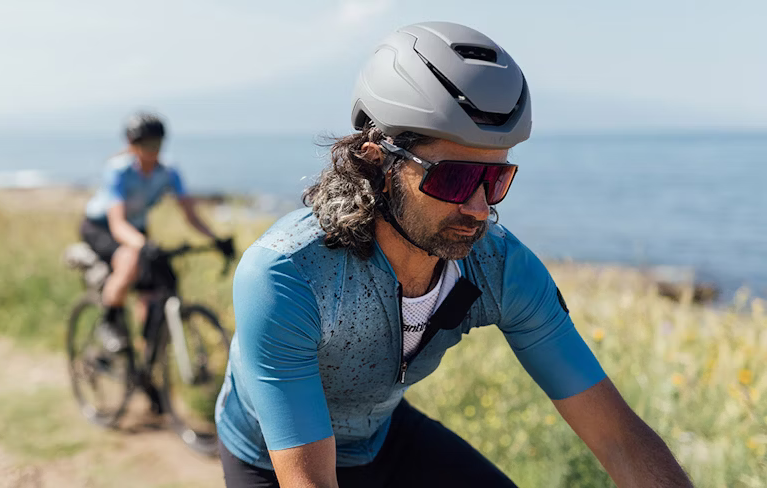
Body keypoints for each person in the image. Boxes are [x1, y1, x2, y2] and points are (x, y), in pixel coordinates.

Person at [214, 22, 691, 487]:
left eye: (495, 180)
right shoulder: (288, 275)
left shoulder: (500, 267)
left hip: (381, 438)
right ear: (377, 162)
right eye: (455, 178)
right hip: (267, 456)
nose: (480, 209)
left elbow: (618, 438)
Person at [80, 112, 234, 348]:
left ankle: (147, 352)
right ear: (132, 145)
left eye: (157, 144)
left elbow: (190, 214)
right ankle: (108, 322)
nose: (152, 150)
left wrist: (216, 239)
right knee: (129, 261)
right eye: (145, 145)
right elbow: (117, 224)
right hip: (101, 227)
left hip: (137, 230)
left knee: (157, 286)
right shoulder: (118, 170)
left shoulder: (168, 172)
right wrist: (142, 245)